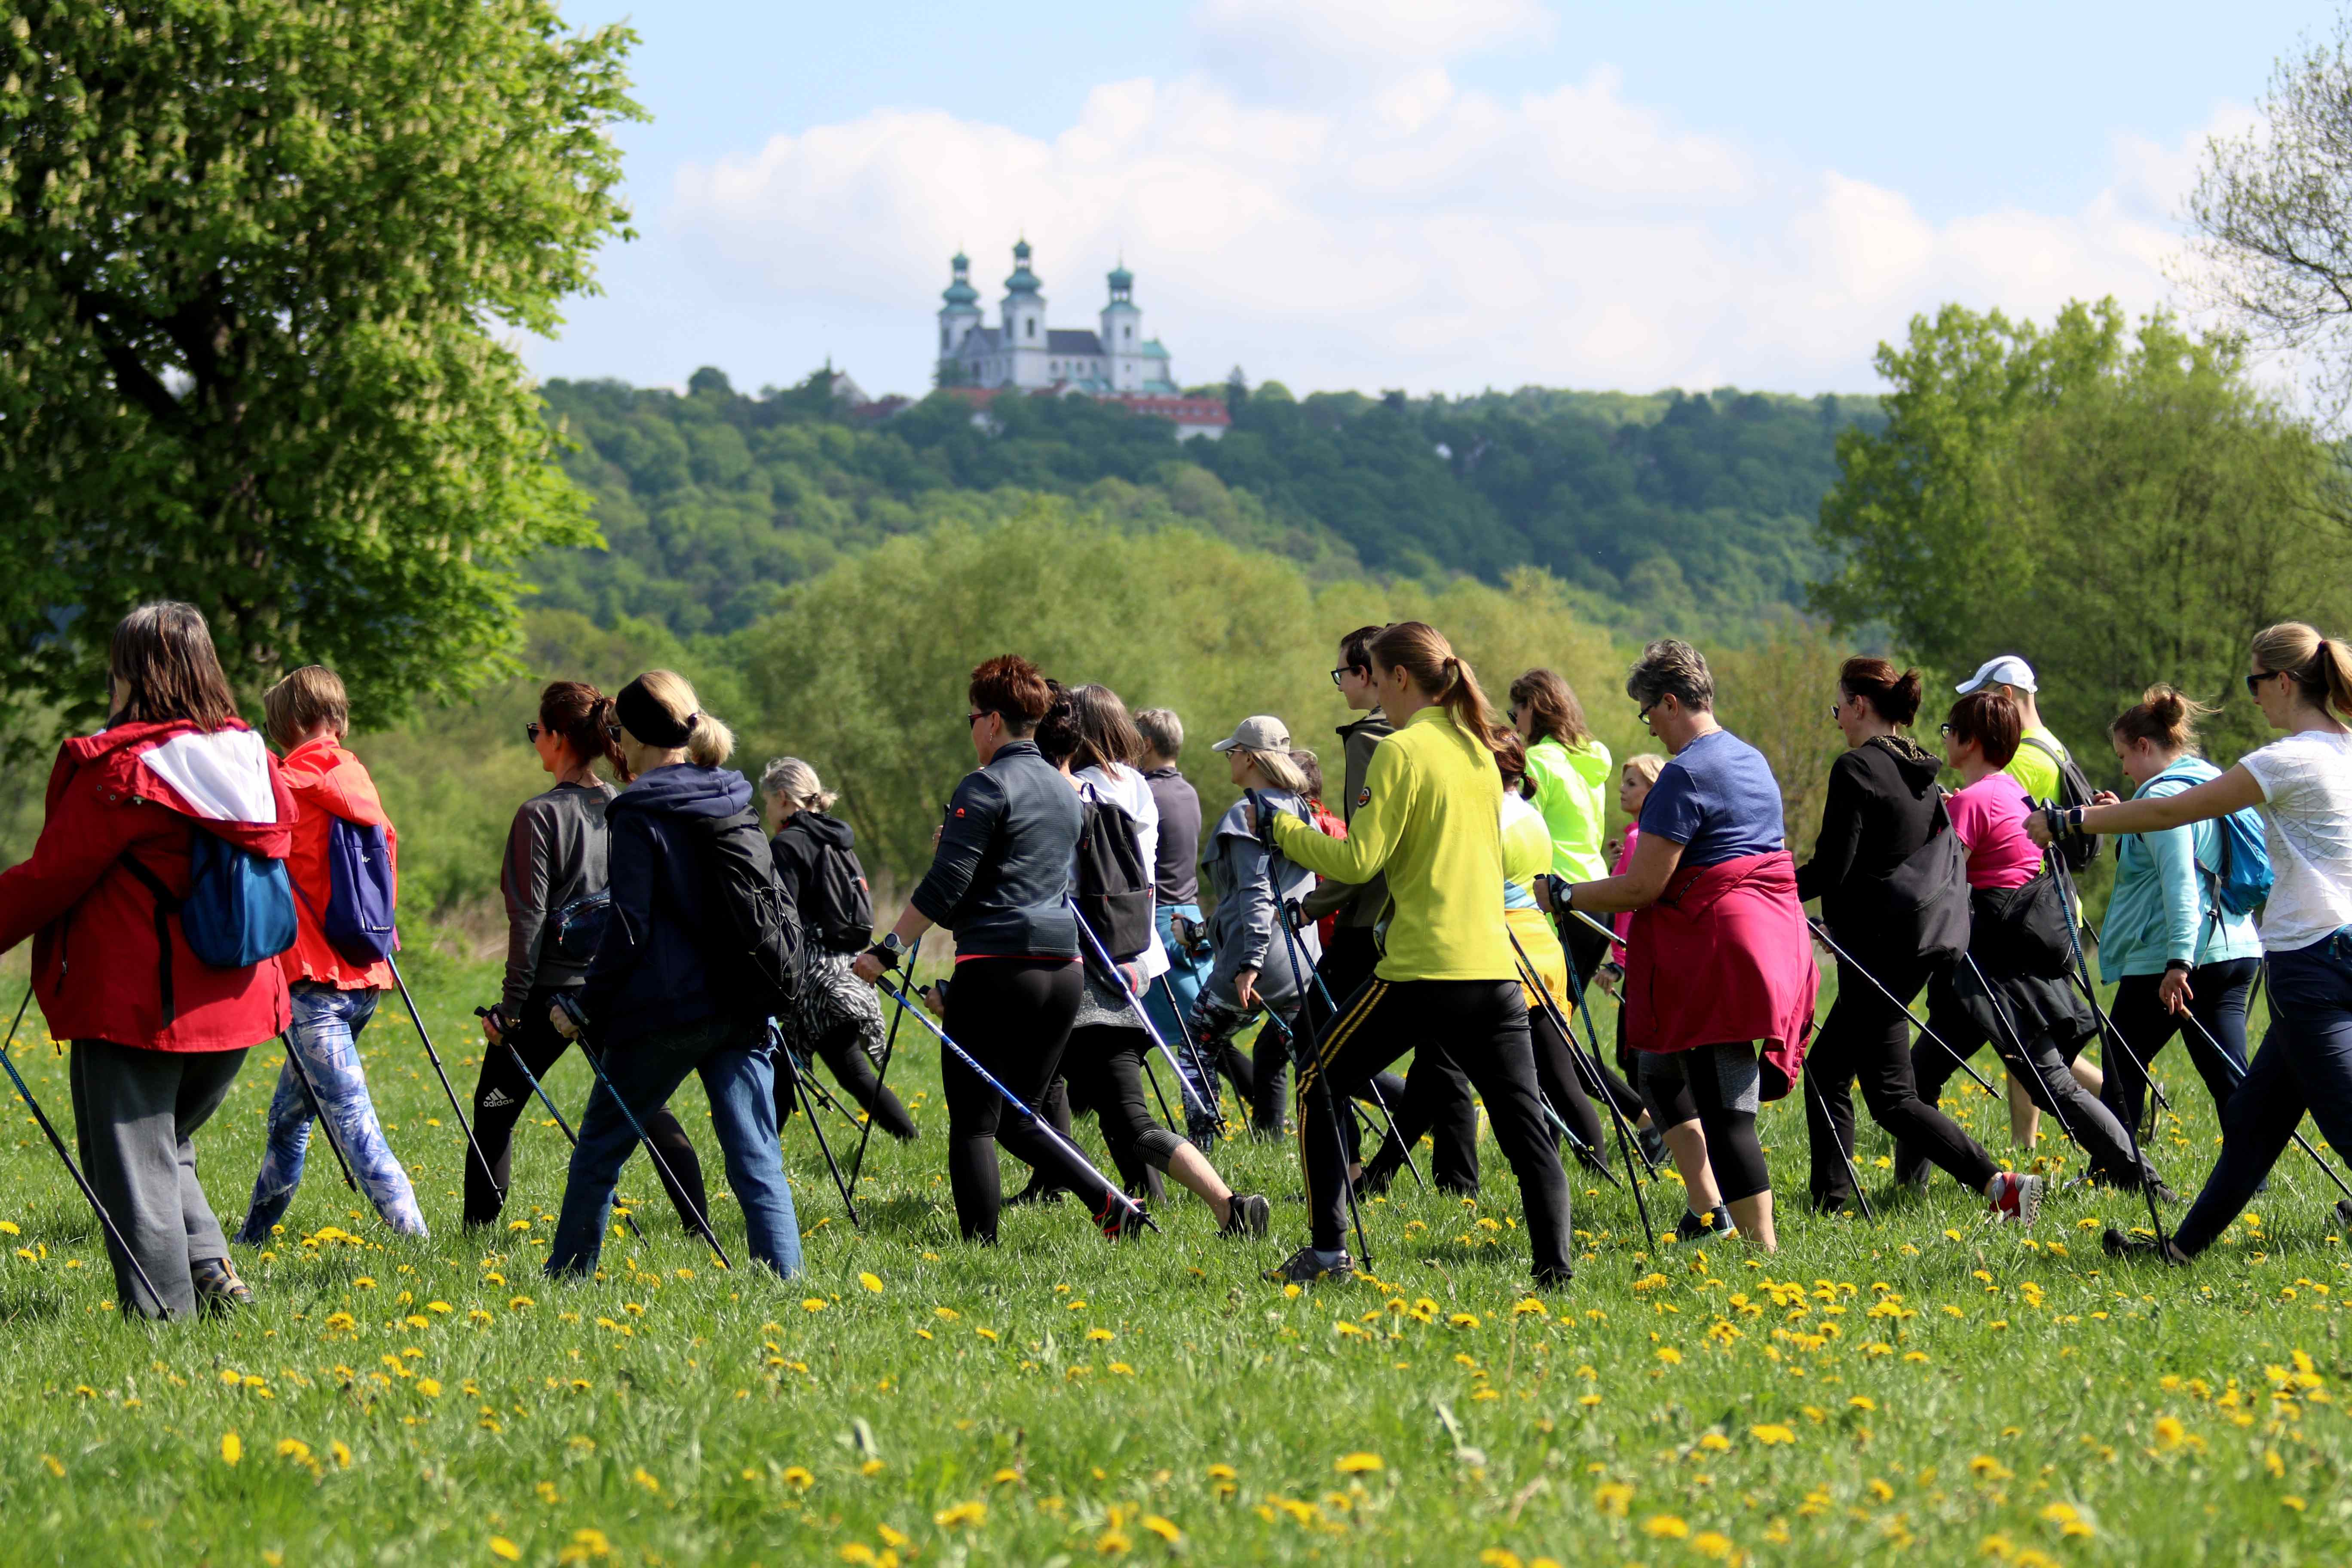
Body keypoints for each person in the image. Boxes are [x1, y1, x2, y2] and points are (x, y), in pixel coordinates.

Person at [2023, 624, 2352, 1265]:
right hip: (2336, 952)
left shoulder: (2284, 760)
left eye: (2257, 682)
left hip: (2309, 964)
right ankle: (2180, 1251)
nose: (2254, 696)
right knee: (2254, 1125)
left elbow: (2170, 812)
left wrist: (2071, 818)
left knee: (2343, 1122)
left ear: (2285, 682)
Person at [0, 603, 294, 1318]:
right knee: (166, 1145)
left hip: (141, 1006)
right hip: (241, 1002)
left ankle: (165, 1328)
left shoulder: (125, 770)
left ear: (129, 672)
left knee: (132, 1171)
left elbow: (49, 877)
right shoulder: (253, 758)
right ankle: (212, 1275)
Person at [1259, 622, 1574, 1287]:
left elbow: (1359, 859)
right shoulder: (1479, 750)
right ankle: (1556, 1272)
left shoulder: (1399, 752)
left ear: (1400, 678)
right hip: (1494, 968)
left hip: (1420, 970)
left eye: (1374, 674)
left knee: (1318, 1080)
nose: (1373, 689)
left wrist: (1286, 830)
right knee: (1524, 1130)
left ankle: (1326, 1255)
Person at [852, 657, 1140, 1243]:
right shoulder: (1068, 792)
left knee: (975, 1122)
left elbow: (945, 884)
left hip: (997, 967)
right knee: (1020, 1117)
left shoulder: (984, 784)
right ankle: (1111, 1204)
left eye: (971, 718)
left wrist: (887, 949)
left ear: (990, 722)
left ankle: (979, 1247)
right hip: (1064, 970)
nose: (971, 729)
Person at [1556, 639, 1816, 1252]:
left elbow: (1645, 886)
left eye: (1647, 713)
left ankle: (1763, 1249)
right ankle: (1708, 1210)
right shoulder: (1750, 757)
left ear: (1670, 703)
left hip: (1714, 951)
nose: (1648, 725)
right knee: (1657, 1068)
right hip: (1764, 940)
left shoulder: (1685, 773)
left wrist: (1566, 896)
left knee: (1726, 1105)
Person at [543, 672, 802, 1280]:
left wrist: (583, 1006)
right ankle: (786, 1285)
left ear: (631, 736)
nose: (613, 741)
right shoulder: (733, 797)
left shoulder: (638, 811)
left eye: (615, 731)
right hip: (742, 1004)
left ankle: (566, 1277)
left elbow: (629, 926)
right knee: (756, 1157)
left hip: (665, 1010)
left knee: (601, 1151)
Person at [1795, 658, 2030, 1223]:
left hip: (1874, 950)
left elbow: (1833, 867)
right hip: (1907, 946)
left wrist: (1764, 881)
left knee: (1893, 1099)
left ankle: (2008, 1189)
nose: (1838, 720)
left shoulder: (1856, 768)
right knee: (1829, 1069)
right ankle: (1832, 1201)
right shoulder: (1921, 771)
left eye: (1839, 708)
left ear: (1858, 706)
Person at [1899, 690, 2162, 1196]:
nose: (1946, 741)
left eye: (1949, 732)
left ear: (1970, 742)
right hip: (1992, 965)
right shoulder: (2011, 791)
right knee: (1918, 1079)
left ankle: (2142, 1179)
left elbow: (1940, 882)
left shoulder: (1974, 801)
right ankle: (1909, 1191)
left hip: (1996, 970)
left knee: (2052, 1083)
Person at [471, 682, 708, 1234]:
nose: (535, 742)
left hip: (550, 993)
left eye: (537, 732)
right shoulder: (624, 805)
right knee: (649, 1109)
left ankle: (477, 1239)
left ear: (556, 739)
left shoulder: (539, 815)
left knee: (493, 1114)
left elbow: (527, 921)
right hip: (617, 987)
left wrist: (510, 1010)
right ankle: (700, 1228)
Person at [1058, 687, 1269, 1236]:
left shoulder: (1075, 788)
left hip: (1089, 957)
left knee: (1109, 1108)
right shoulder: (1138, 787)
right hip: (1139, 950)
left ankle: (1204, 1204)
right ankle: (1145, 1202)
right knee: (1114, 1104)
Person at [233, 665, 428, 1243]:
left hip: (313, 984)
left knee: (352, 1122)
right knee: (288, 1119)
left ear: (287, 723)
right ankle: (253, 1237)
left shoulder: (286, 785)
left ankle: (414, 1240)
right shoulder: (356, 777)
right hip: (367, 975)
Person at [2089, 687, 2263, 1133]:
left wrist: (2178, 962)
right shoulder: (2209, 783)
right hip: (2235, 946)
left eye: (2124, 755)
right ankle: (2253, 1181)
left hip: (2172, 956)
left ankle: (2117, 1174)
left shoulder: (2165, 801)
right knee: (2228, 1076)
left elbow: (2181, 882)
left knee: (2123, 1062)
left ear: (2145, 746)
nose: (2123, 767)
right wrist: (2127, 815)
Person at [1594, 752, 1728, 1233]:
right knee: (1646, 1061)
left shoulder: (1640, 838)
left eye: (1633, 783)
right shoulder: (1640, 839)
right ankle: (1670, 1140)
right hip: (1660, 958)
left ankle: (1661, 1135)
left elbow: (1629, 904)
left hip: (1642, 960)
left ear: (1655, 790)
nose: (1623, 791)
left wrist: (1618, 960)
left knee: (1644, 1061)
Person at [761, 756, 917, 1145]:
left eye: (767, 801)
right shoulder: (838, 839)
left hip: (813, 981)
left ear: (783, 798)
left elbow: (785, 916)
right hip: (849, 970)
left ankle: (759, 1159)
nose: (765, 810)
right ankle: (762, 1156)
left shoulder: (788, 844)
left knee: (806, 1068)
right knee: (828, 1070)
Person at [1193, 716, 1323, 1138]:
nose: (1229, 760)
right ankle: (1405, 1105)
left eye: (1233, 753)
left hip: (1260, 963)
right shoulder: (1304, 809)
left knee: (1197, 1039)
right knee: (1317, 1060)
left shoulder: (1246, 815)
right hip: (1304, 964)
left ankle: (1201, 1147)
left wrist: (1250, 961)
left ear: (1249, 759)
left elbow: (1254, 893)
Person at [1133, 707, 1217, 1133]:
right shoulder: (1187, 791)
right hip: (1188, 914)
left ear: (1146, 744)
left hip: (1159, 921)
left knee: (1183, 1031)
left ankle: (1205, 1126)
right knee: (1191, 1029)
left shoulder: (1144, 794)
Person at [1509, 668, 1613, 985]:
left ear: (1533, 708)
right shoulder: (1589, 762)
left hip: (1558, 900)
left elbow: (1519, 836)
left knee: (1537, 1019)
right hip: (1599, 897)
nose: (1515, 722)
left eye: (1516, 712)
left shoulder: (1537, 760)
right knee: (1561, 1017)